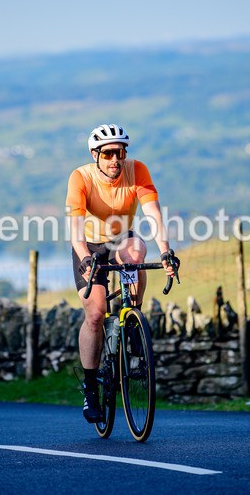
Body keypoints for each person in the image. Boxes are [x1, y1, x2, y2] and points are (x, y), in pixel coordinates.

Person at [65, 123, 179, 423]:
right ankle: (90, 389)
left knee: (134, 254)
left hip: (121, 238)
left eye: (121, 152)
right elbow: (75, 231)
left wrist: (165, 250)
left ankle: (132, 315)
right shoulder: (81, 177)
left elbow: (153, 213)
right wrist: (86, 259)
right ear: (95, 155)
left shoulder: (137, 169)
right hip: (87, 245)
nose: (116, 159)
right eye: (109, 154)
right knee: (95, 312)